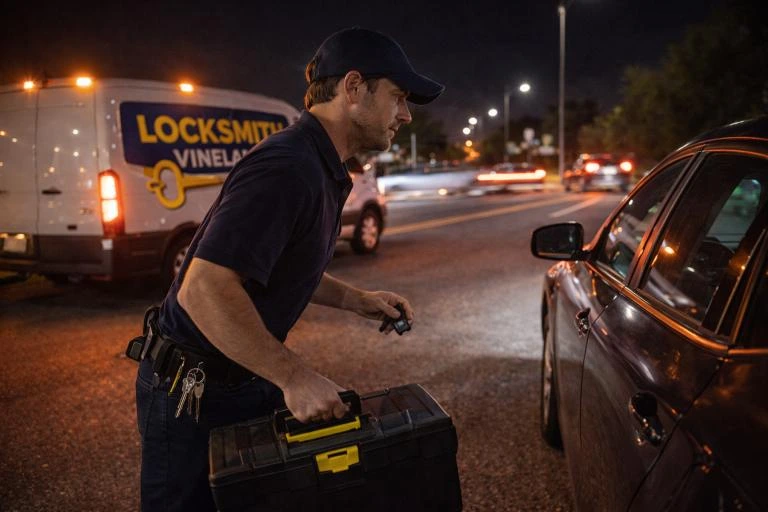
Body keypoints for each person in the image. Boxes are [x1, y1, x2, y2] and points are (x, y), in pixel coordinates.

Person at [134, 27, 444, 511]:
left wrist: (358, 301)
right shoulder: (288, 165)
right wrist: (295, 378)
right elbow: (205, 286)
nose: (406, 115)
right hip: (193, 395)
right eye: (399, 97)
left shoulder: (320, 165)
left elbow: (273, 265)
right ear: (354, 88)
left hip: (243, 376)